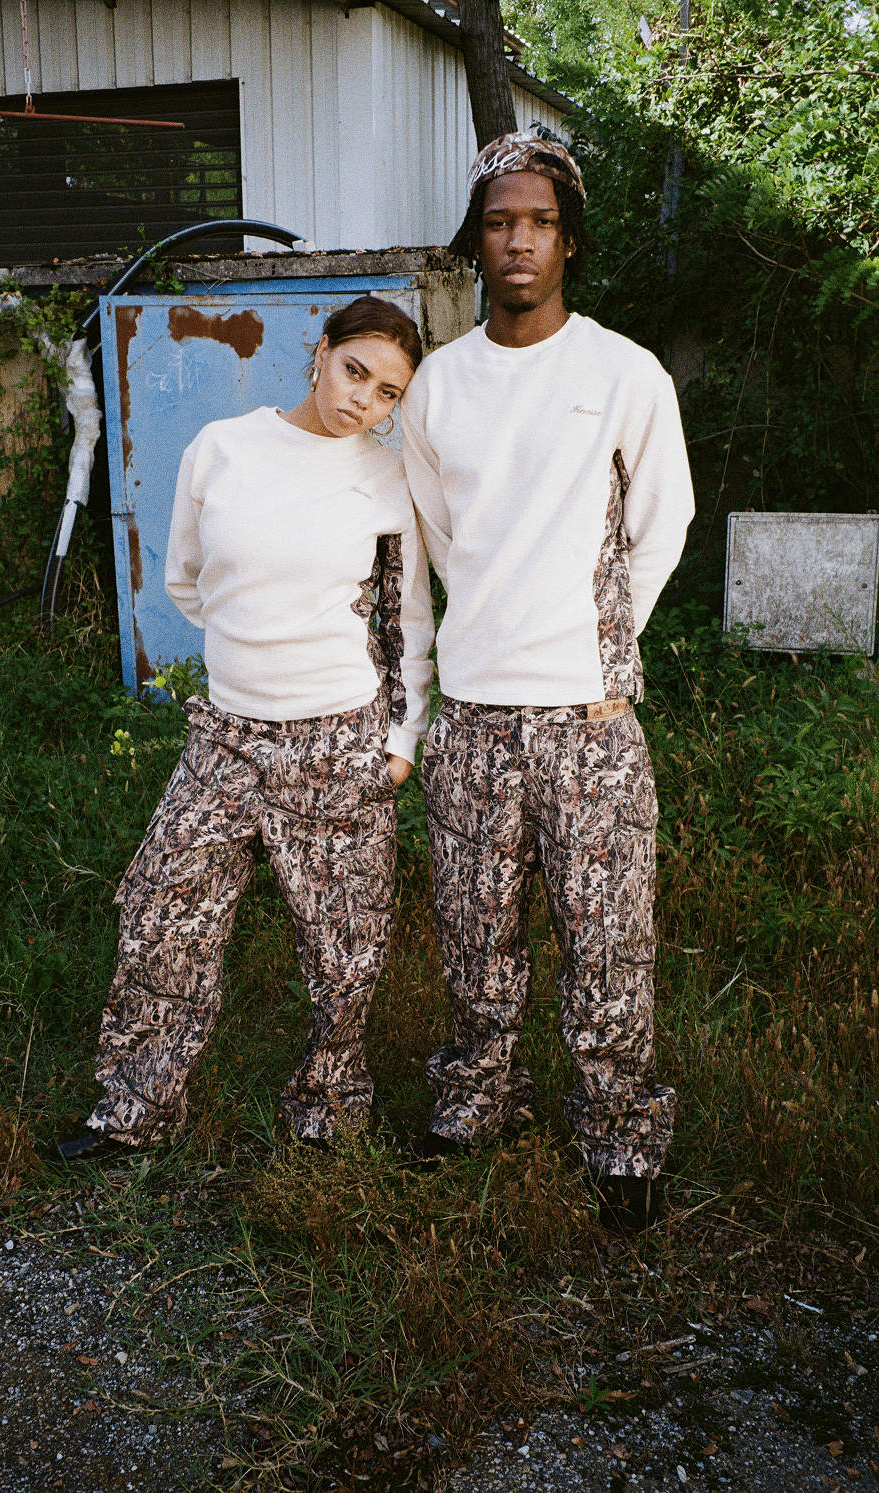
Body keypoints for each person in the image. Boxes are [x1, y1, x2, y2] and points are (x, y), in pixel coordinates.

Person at [54, 296, 434, 1165]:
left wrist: (400, 743)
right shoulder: (220, 449)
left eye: (386, 393)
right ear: (320, 352)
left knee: (345, 940)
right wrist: (246, 653)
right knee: (161, 907)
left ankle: (328, 1111)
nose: (363, 401)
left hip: (338, 736)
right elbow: (187, 581)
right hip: (225, 735)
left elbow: (405, 621)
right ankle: (134, 1108)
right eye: (354, 372)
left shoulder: (387, 479)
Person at [400, 132, 694, 1233]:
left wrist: (605, 650)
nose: (517, 242)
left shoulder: (623, 372)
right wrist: (429, 691)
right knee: (476, 937)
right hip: (473, 719)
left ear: (568, 239)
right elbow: (424, 548)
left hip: (589, 715)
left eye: (537, 223)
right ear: (476, 241)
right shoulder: (438, 385)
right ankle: (474, 1101)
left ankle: (622, 1136)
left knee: (606, 941)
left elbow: (664, 525)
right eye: (496, 222)